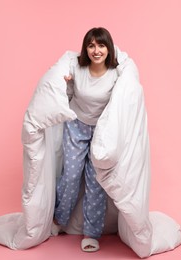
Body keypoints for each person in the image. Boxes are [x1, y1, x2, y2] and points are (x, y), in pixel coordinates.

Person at [52, 27, 119, 252]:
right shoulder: (78, 68)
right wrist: (66, 82)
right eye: (91, 45)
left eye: (101, 45)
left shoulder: (116, 74)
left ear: (109, 49)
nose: (96, 50)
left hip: (101, 131)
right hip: (76, 126)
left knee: (96, 182)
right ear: (86, 48)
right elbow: (67, 90)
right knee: (71, 176)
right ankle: (59, 220)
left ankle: (91, 233)